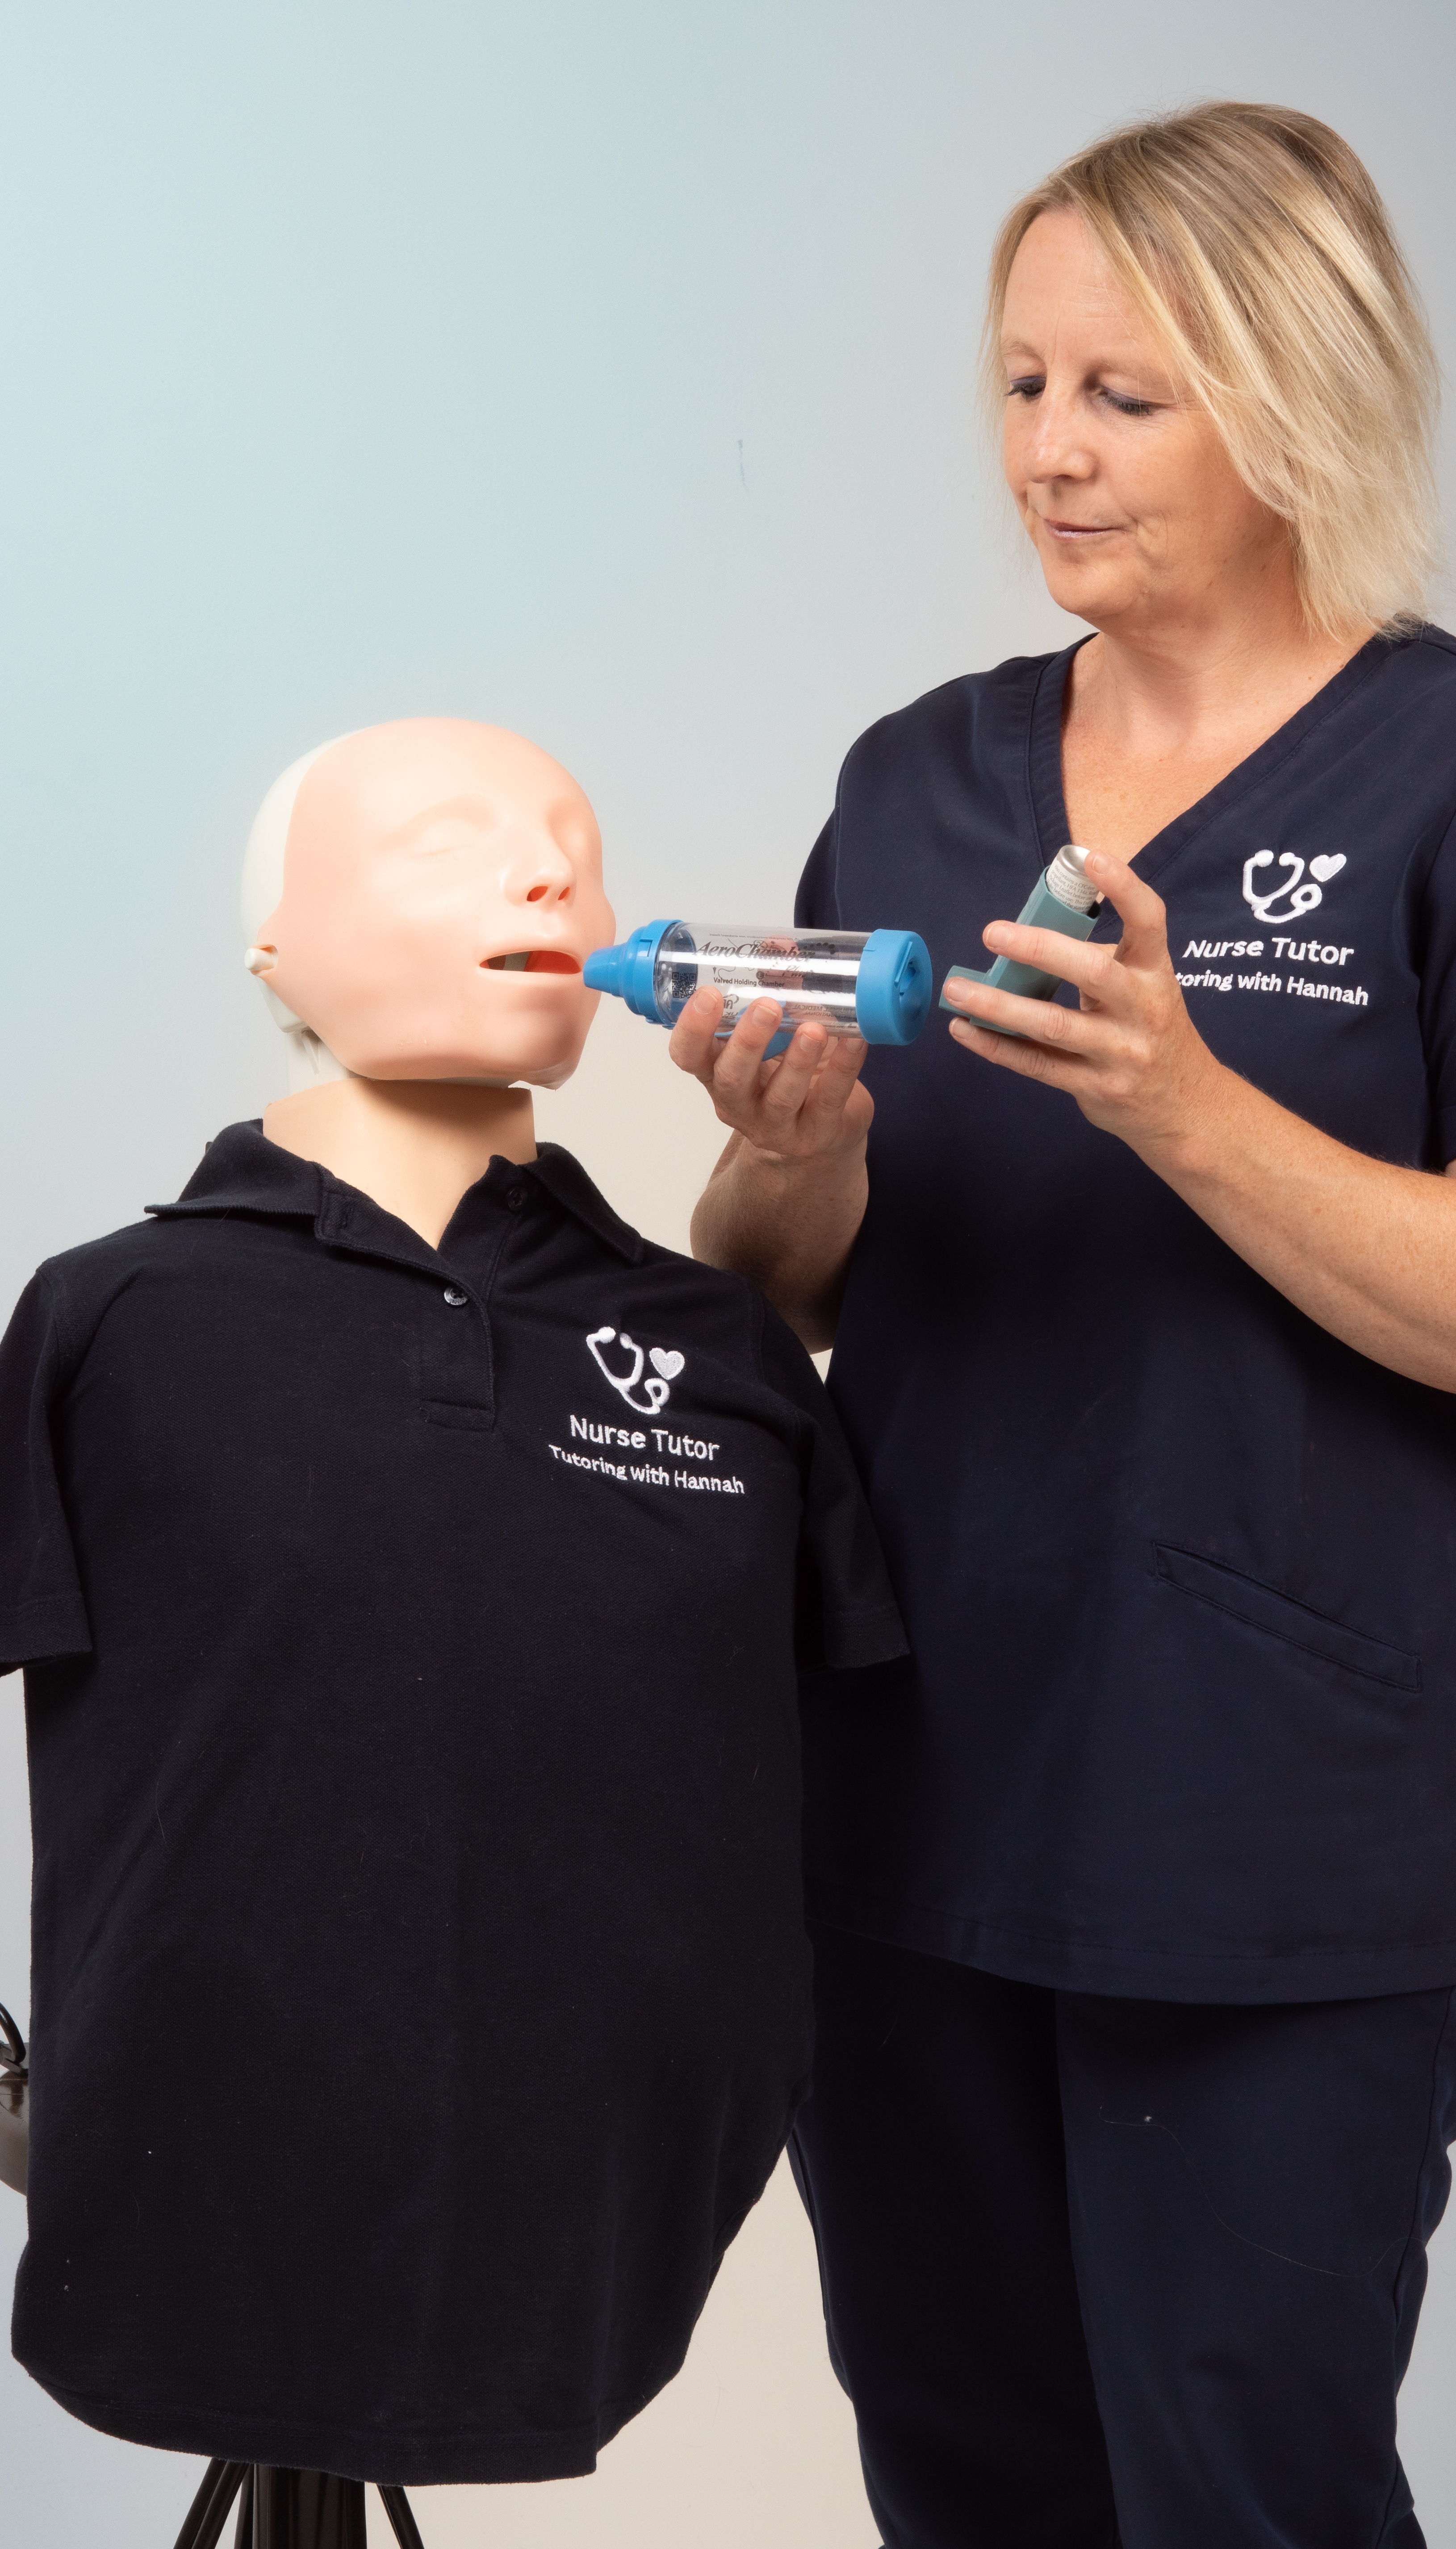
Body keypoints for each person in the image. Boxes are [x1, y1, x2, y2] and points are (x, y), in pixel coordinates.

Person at [669, 103, 1456, 2549]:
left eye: (1122, 393)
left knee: (1241, 2495)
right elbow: (777, 1293)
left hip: (1263, 1824)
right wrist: (784, 1144)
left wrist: (1186, 1101)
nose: (1045, 451)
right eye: (1017, 385)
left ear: (1294, 384)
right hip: (899, 1796)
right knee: (968, 2491)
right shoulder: (917, 777)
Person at [0, 719, 905, 2496]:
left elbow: (843, 1766)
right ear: (278, 948)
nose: (550, 872)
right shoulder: (116, 1322)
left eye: (575, 841)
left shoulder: (720, 1354)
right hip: (188, 2195)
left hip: (599, 2228)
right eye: (446, 840)